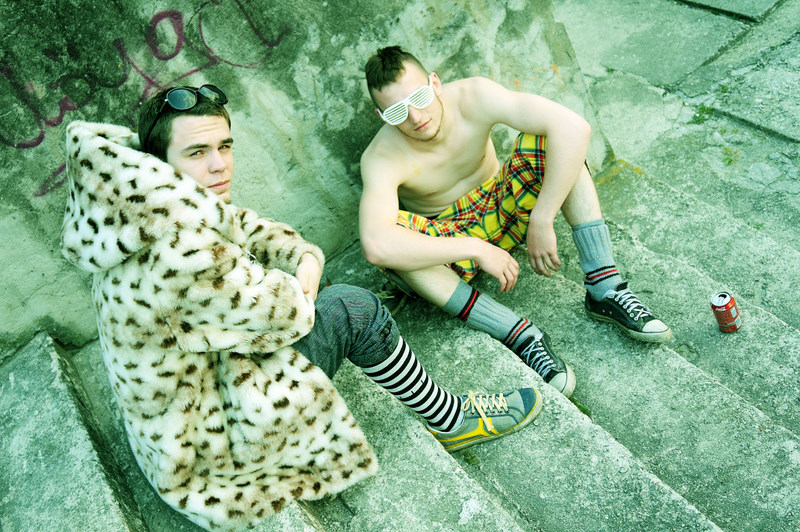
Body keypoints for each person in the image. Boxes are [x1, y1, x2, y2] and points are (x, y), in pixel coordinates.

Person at [60, 84, 541, 531]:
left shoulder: (137, 203)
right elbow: (289, 313)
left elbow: (244, 225)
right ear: (160, 158)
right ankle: (452, 419)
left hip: (180, 423)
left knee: (317, 284)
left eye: (225, 146)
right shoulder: (176, 251)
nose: (219, 165)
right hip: (214, 451)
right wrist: (303, 276)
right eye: (197, 152)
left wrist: (302, 257)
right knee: (353, 307)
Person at [359, 46, 673, 398]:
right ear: (381, 115)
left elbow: (573, 127)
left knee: (553, 141)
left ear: (435, 83)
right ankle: (519, 335)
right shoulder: (380, 157)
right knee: (396, 248)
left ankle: (605, 287)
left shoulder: (474, 96)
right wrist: (474, 247)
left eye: (419, 97)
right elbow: (376, 245)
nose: (415, 116)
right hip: (449, 232)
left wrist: (543, 217)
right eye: (397, 111)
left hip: (504, 201)